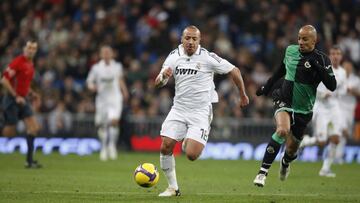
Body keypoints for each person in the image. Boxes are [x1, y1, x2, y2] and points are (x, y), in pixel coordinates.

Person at [155, 25, 249, 196]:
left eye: (194, 39)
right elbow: (158, 82)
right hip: (179, 109)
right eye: (187, 38)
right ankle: (173, 188)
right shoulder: (173, 56)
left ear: (199, 40)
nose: (190, 42)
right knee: (166, 146)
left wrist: (242, 95)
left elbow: (234, 70)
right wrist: (163, 77)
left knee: (191, 155)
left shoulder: (208, 57)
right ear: (181, 39)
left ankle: (190, 139)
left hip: (200, 112)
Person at [253, 25, 337, 187]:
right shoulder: (290, 51)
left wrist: (317, 67)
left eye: (305, 39)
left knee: (291, 150)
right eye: (299, 38)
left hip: (304, 109)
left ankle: (285, 162)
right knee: (282, 130)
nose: (300, 42)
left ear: (314, 40)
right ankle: (262, 173)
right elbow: (280, 71)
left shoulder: (322, 59)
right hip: (284, 98)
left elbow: (332, 85)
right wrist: (266, 87)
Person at [300, 46, 347, 177]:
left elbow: (343, 90)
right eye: (333, 53)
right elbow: (312, 87)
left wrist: (336, 94)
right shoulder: (322, 68)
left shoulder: (343, 72)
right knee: (321, 141)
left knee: (336, 139)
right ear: (329, 55)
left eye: (338, 53)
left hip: (334, 108)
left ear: (341, 56)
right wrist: (322, 94)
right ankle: (303, 142)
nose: (336, 56)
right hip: (321, 108)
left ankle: (325, 169)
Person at [1, 39, 42, 168]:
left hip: (22, 99)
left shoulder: (30, 64)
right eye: (29, 47)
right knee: (9, 133)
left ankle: (29, 161)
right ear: (24, 49)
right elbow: (4, 80)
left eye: (33, 48)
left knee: (34, 128)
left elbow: (24, 83)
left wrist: (31, 93)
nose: (31, 50)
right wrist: (16, 96)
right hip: (12, 100)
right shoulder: (18, 62)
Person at [86, 45, 129, 161]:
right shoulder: (96, 68)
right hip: (102, 100)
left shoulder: (117, 66)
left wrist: (124, 91)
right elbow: (89, 81)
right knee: (102, 125)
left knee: (114, 122)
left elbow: (120, 80)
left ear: (112, 54)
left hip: (115, 98)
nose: (106, 54)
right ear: (100, 54)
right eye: (104, 52)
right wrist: (92, 87)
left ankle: (112, 146)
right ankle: (103, 147)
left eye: (108, 52)